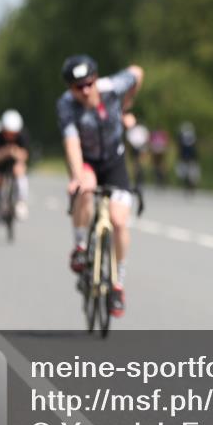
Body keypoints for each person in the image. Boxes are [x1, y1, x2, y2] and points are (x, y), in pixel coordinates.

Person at [57, 55, 144, 317]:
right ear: (70, 88)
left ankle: (118, 284)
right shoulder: (66, 105)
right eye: (78, 87)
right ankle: (81, 247)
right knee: (85, 189)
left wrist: (126, 106)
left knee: (119, 221)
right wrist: (77, 176)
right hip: (87, 161)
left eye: (89, 83)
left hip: (114, 161)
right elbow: (71, 142)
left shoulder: (112, 87)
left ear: (96, 79)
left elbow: (137, 72)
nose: (85, 90)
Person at [0, 109, 30, 220]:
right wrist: (3, 153)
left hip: (14, 163)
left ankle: (21, 201)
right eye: (8, 133)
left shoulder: (22, 136)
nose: (10, 136)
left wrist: (14, 152)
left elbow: (25, 155)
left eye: (13, 134)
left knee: (20, 170)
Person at [175, 121, 200, 192]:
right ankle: (190, 184)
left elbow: (180, 148)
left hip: (187, 157)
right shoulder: (192, 138)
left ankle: (189, 184)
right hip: (189, 157)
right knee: (189, 172)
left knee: (187, 172)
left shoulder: (182, 138)